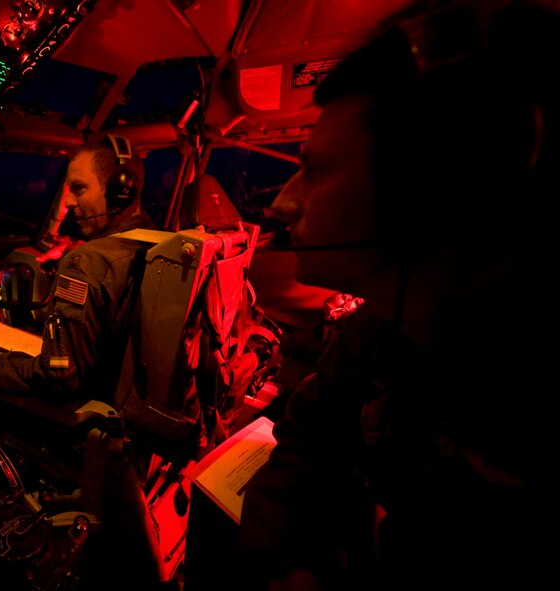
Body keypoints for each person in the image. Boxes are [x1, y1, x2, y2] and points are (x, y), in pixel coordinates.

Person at [236, 1, 558, 589]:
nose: (282, 202)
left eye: (314, 167)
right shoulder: (375, 334)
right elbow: (307, 441)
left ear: (435, 185)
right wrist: (291, 560)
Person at [0, 135, 154, 407]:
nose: (67, 202)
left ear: (119, 191)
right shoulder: (154, 244)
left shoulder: (85, 264)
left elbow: (60, 375)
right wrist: (69, 248)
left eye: (79, 189)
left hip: (82, 411)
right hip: (122, 392)